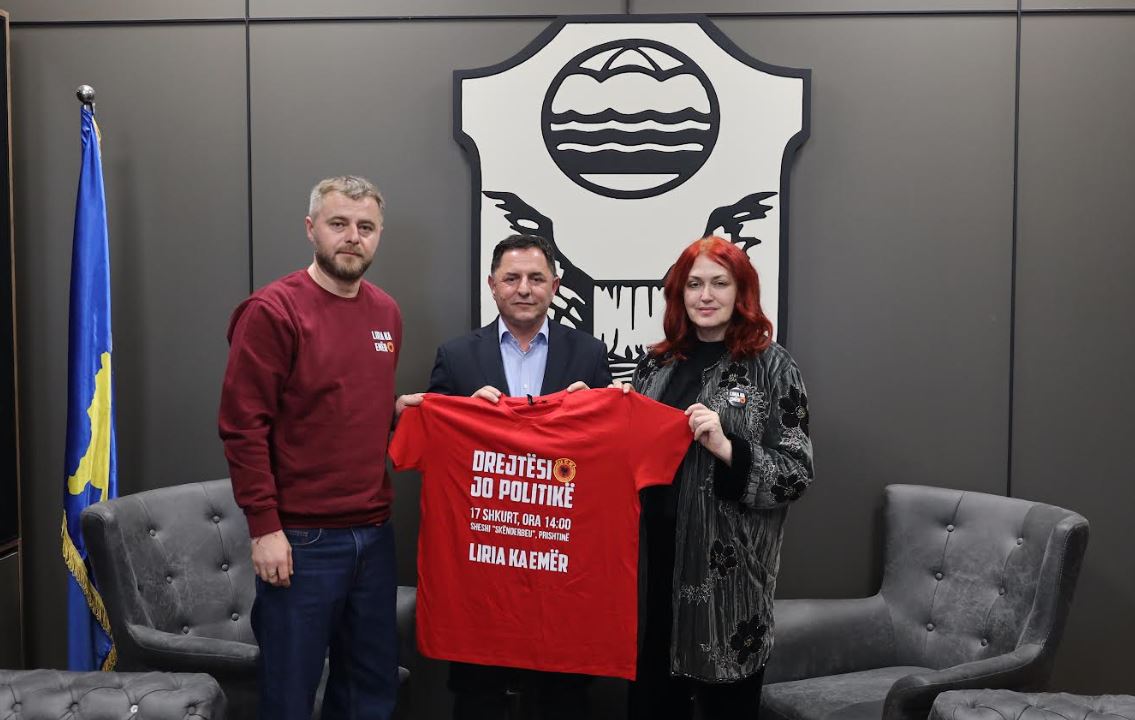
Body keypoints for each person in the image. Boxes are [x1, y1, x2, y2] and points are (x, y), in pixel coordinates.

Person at [219, 175, 411, 720]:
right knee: (289, 696)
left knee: (369, 693)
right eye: (338, 224)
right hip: (302, 541)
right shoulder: (273, 311)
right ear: (311, 229)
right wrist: (264, 528)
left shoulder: (386, 312)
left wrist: (397, 411)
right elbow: (243, 426)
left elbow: (340, 404)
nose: (353, 237)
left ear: (379, 235)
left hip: (374, 535)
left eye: (366, 227)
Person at [624, 235, 815, 720]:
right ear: (679, 294)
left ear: (741, 291)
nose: (705, 296)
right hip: (655, 562)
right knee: (654, 698)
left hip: (728, 573)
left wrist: (729, 449)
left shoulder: (772, 366)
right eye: (694, 284)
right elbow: (626, 447)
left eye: (719, 283)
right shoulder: (656, 364)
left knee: (727, 704)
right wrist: (587, 408)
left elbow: (796, 473)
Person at [425, 233, 611, 720]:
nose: (524, 289)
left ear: (555, 285)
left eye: (535, 278)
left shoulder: (589, 355)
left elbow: (607, 458)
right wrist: (463, 415)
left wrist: (592, 412)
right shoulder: (456, 357)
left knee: (563, 697)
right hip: (484, 560)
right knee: (479, 696)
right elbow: (433, 448)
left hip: (559, 556)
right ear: (492, 285)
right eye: (511, 278)